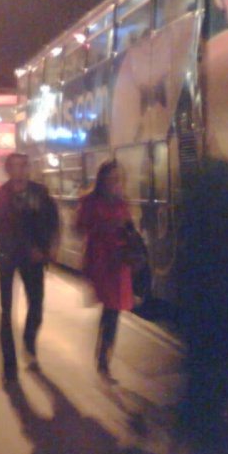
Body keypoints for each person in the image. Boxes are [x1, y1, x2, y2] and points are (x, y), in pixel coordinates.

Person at [175, 157, 228, 436]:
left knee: (200, 350)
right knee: (221, 349)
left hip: (200, 286)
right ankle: (215, 409)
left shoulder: (198, 183)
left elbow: (188, 238)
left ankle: (198, 411)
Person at [0, 152, 59, 382]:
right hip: (9, 257)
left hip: (35, 259)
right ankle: (9, 365)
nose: (19, 171)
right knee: (6, 310)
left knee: (36, 306)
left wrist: (51, 246)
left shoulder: (40, 193)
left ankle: (29, 343)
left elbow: (53, 220)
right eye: (15, 167)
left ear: (28, 168)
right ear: (8, 171)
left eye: (23, 166)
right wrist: (28, 247)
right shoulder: (0, 196)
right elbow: (1, 229)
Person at [76, 159, 133, 381]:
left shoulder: (122, 201)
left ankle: (103, 357)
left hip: (119, 261)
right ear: (102, 179)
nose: (115, 181)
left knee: (114, 310)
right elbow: (79, 226)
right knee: (111, 308)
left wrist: (127, 227)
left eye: (118, 177)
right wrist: (103, 227)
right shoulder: (90, 201)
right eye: (111, 177)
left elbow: (128, 227)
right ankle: (103, 360)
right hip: (101, 260)